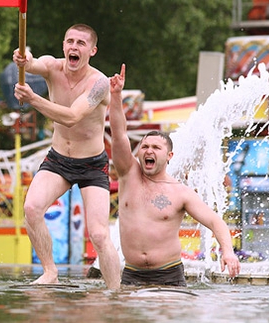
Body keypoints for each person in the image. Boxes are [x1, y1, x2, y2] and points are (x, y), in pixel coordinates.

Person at [109, 64, 240, 286]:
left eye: (156, 148)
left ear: (169, 156)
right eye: (145, 146)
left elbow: (215, 221)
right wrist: (115, 96)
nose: (149, 151)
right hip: (131, 274)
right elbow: (119, 134)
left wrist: (228, 252)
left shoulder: (181, 193)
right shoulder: (128, 175)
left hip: (168, 275)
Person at [12, 23, 121, 288]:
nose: (74, 47)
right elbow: (33, 63)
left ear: (92, 51)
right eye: (70, 41)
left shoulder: (99, 83)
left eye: (81, 43)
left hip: (92, 165)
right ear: (63, 46)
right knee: (31, 208)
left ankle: (116, 290)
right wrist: (21, 58)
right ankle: (50, 271)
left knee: (98, 234)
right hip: (58, 159)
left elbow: (72, 117)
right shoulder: (52, 66)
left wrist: (33, 99)